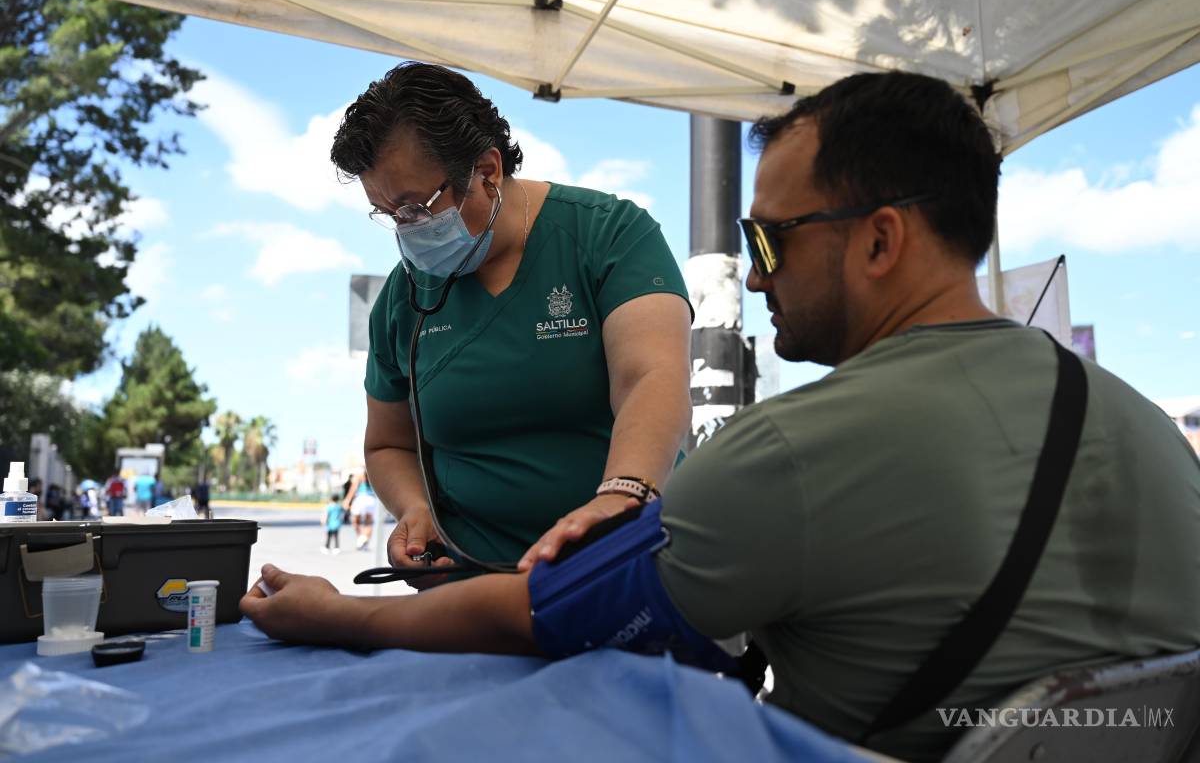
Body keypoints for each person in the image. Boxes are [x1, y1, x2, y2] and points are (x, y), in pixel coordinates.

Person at [242, 71, 1200, 761]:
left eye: (770, 241)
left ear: (880, 241)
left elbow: (549, 612)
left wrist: (342, 614)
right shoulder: (1147, 430)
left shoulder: (786, 454)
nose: (751, 275)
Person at [330, 62, 692, 575]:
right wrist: (415, 509)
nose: (405, 230)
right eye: (388, 214)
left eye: (414, 207)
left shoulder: (609, 235)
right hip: (469, 584)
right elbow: (388, 442)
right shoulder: (401, 298)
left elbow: (651, 380)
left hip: (622, 564)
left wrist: (621, 497)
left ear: (487, 171)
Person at [346, 473, 379, 551]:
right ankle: (364, 539)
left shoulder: (360, 476)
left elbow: (353, 488)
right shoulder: (375, 475)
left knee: (355, 521)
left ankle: (360, 538)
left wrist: (347, 500)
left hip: (361, 498)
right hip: (371, 499)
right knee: (368, 523)